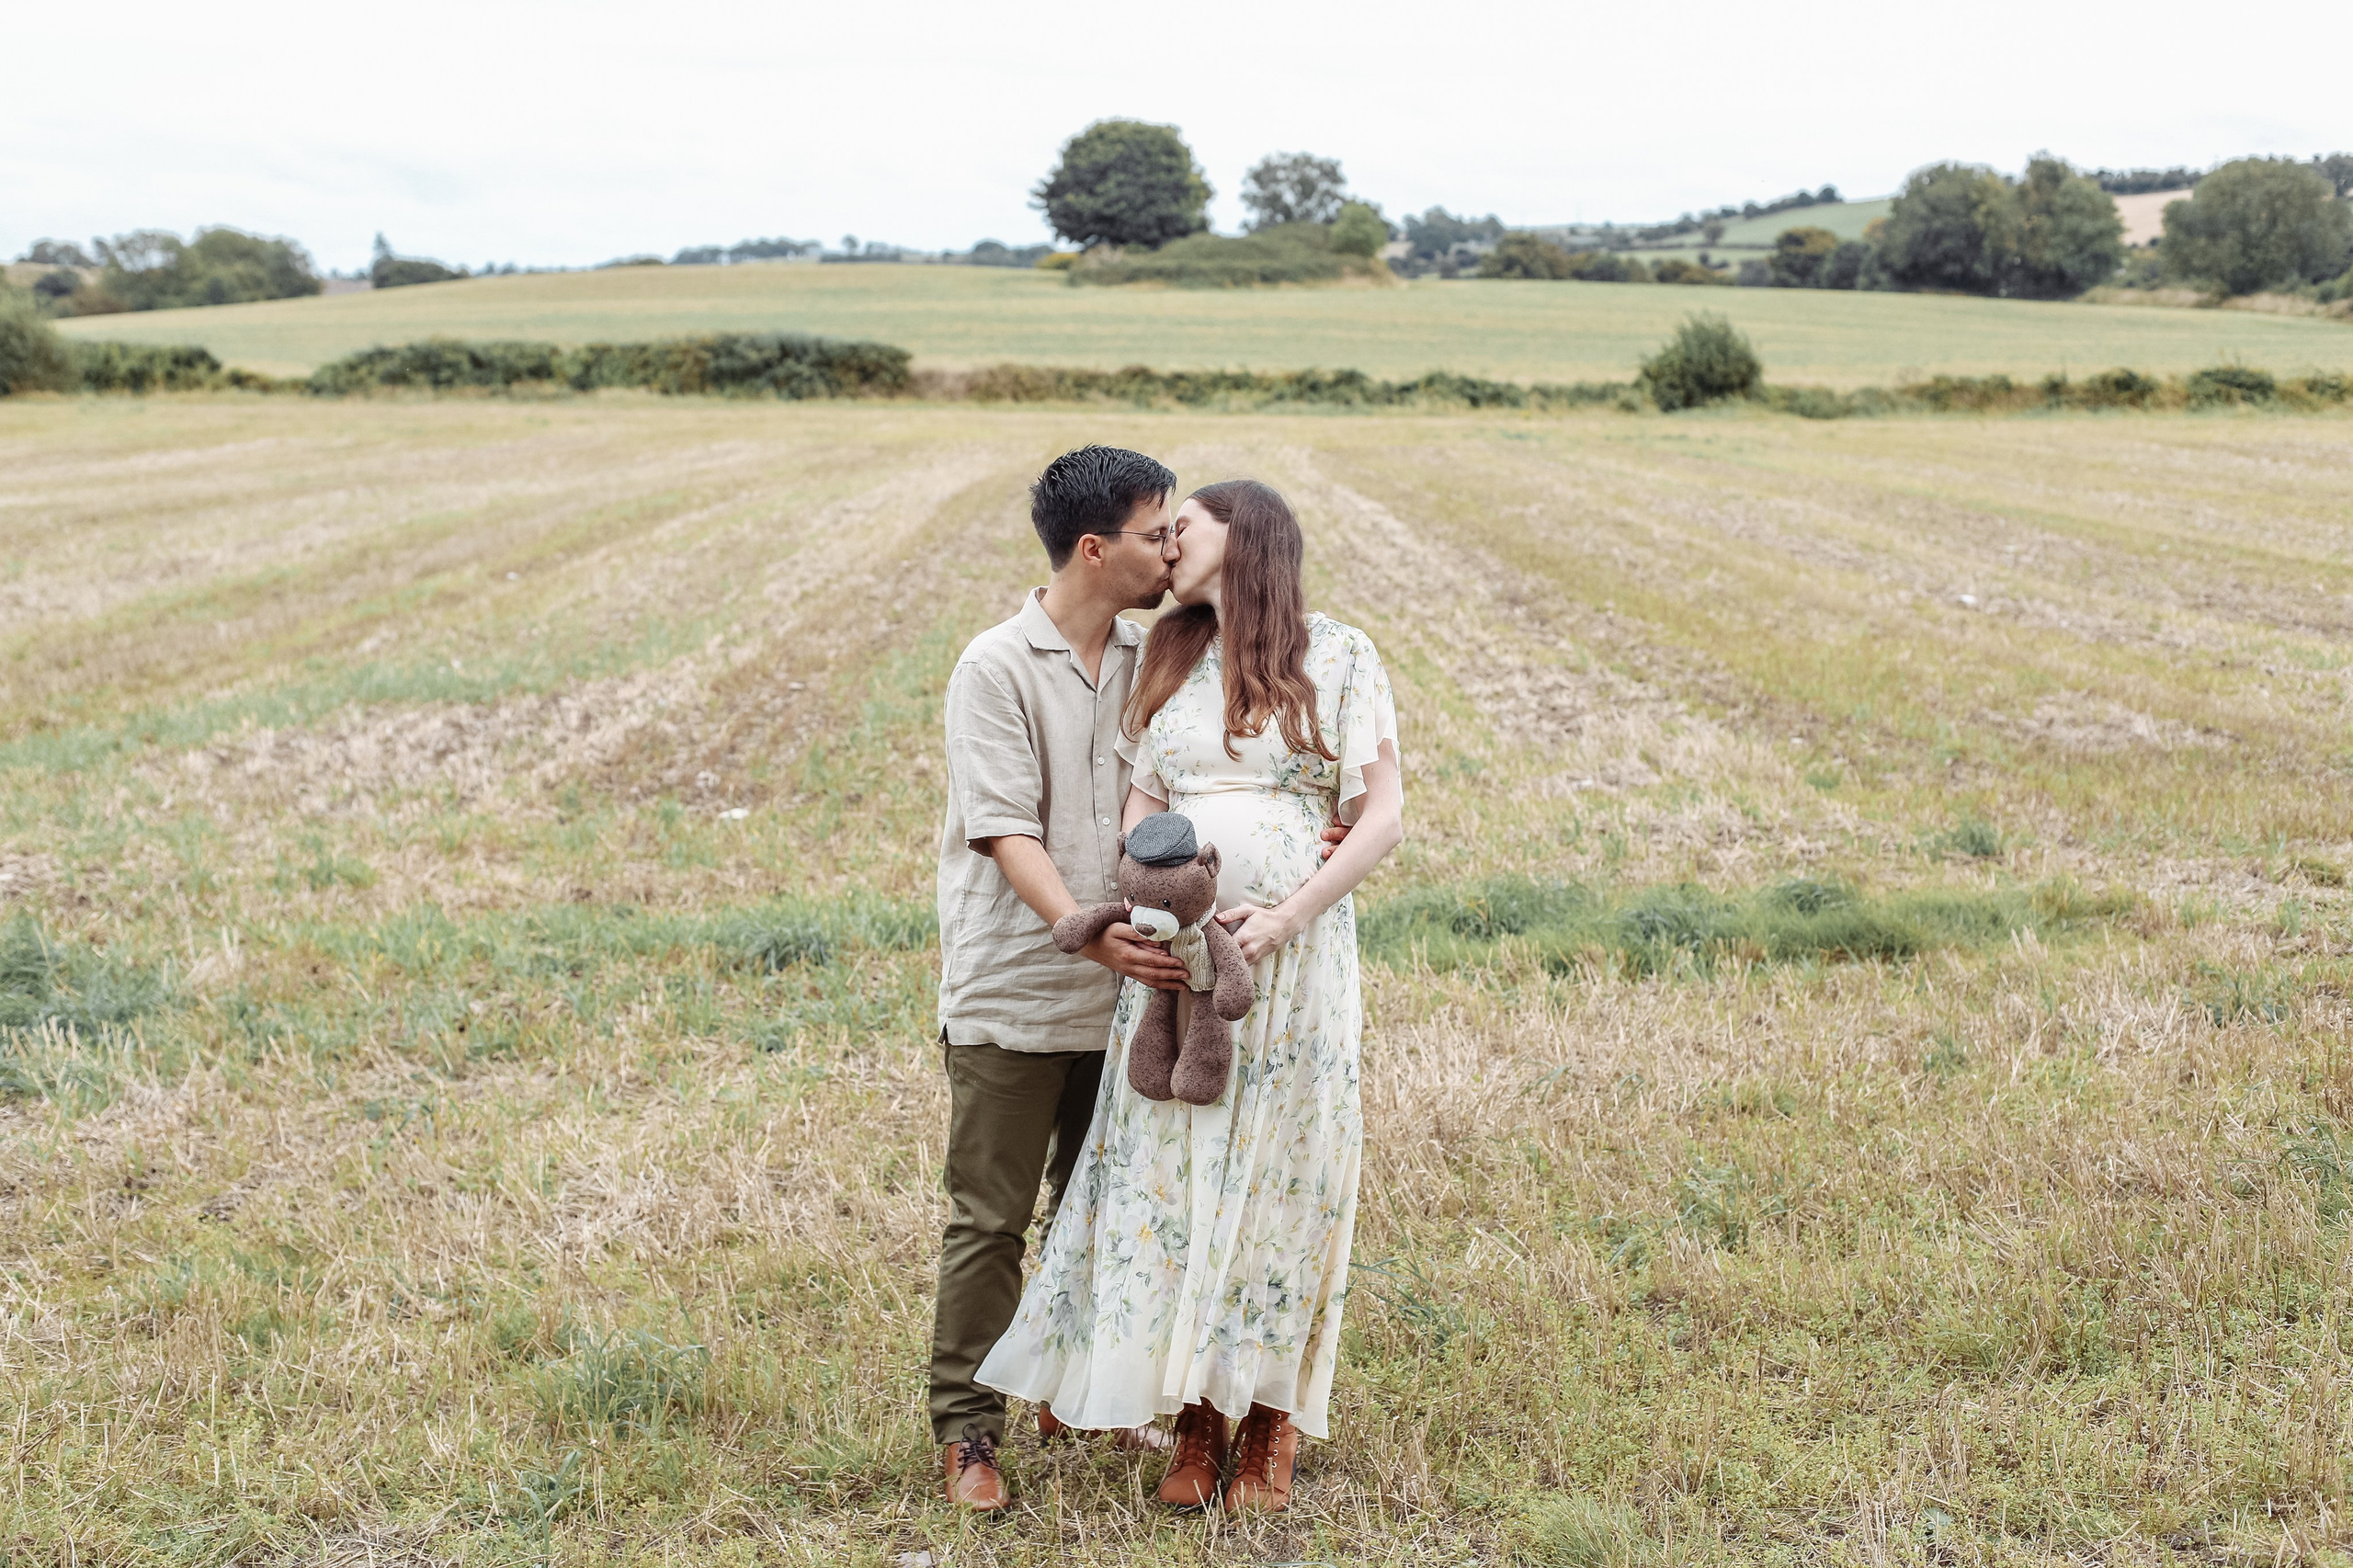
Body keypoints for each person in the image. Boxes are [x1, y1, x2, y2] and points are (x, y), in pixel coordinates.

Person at [928, 449, 1350, 1512]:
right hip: (1025, 984)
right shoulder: (995, 665)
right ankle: (968, 1429)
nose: (1172, 550)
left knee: (1112, 1203)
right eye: (1157, 533)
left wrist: (1315, 825)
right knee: (990, 1216)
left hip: (1144, 997)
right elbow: (1006, 830)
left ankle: (1087, 1392)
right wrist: (1091, 938)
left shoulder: (1159, 652)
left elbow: (1233, 766)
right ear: (1094, 548)